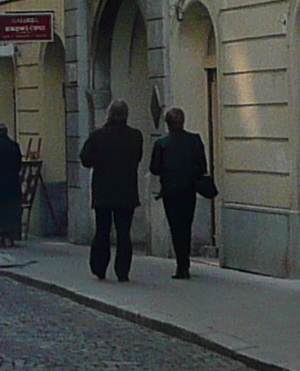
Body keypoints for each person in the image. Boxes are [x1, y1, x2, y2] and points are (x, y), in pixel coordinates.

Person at [80, 101, 146, 282]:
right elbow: (138, 157)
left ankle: (99, 267)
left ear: (108, 114)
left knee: (103, 230)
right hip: (127, 191)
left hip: (103, 191)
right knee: (124, 233)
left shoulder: (98, 136)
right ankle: (122, 271)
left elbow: (85, 159)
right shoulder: (135, 136)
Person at [149, 107, 210, 280]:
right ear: (182, 121)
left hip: (170, 190)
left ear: (168, 124)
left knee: (175, 227)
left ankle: (182, 265)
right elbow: (202, 166)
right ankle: (185, 263)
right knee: (186, 225)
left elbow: (154, 168)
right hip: (189, 189)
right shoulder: (194, 140)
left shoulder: (161, 143)